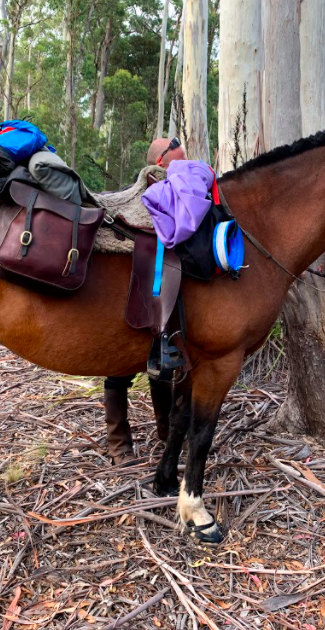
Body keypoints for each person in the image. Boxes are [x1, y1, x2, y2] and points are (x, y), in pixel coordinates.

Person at [103, 138, 186, 465]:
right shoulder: (131, 197)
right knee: (116, 370)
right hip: (122, 296)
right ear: (161, 162)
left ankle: (167, 433)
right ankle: (119, 445)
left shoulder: (183, 195)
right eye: (178, 159)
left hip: (167, 298)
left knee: (163, 366)